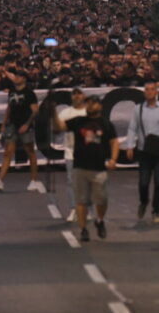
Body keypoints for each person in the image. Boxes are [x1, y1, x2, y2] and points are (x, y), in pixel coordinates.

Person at [53, 95, 118, 242]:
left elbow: (114, 142)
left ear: (99, 106)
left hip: (99, 167)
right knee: (81, 200)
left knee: (101, 200)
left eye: (93, 103)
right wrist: (52, 112)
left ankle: (99, 220)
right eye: (87, 103)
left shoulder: (106, 124)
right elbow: (60, 127)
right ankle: (83, 229)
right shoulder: (78, 121)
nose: (89, 105)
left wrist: (113, 159)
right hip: (80, 166)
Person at [124, 81, 159, 224]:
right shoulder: (138, 109)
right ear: (144, 92)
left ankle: (156, 211)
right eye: (147, 90)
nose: (149, 92)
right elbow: (132, 128)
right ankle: (143, 201)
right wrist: (129, 146)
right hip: (144, 150)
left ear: (157, 92)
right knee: (143, 183)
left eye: (152, 89)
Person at [0, 75, 40, 192]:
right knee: (8, 152)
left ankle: (33, 180)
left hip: (25, 125)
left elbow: (35, 111)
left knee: (30, 152)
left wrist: (27, 124)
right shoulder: (11, 92)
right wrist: (4, 124)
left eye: (18, 76)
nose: (16, 78)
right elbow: (9, 108)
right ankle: (0, 180)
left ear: (24, 79)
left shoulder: (29, 93)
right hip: (12, 125)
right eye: (15, 76)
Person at [56, 87, 87, 222]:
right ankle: (73, 209)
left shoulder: (89, 112)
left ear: (84, 96)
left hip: (87, 152)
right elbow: (58, 127)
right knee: (71, 181)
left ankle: (88, 208)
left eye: (79, 94)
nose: (77, 96)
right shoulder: (65, 112)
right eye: (74, 94)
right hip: (70, 152)